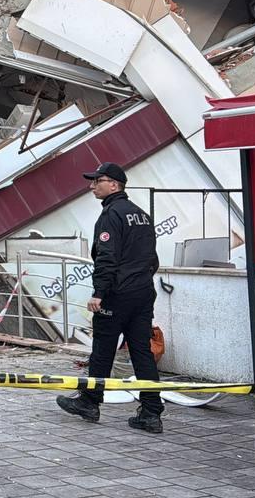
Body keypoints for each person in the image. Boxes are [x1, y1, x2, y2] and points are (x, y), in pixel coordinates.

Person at [56, 162, 164, 433]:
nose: (92, 186)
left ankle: (90, 401)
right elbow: (153, 259)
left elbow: (107, 258)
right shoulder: (141, 215)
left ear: (114, 185)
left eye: (98, 181)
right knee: (141, 351)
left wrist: (99, 293)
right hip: (142, 293)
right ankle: (151, 412)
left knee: (103, 349)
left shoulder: (111, 215)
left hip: (117, 295)